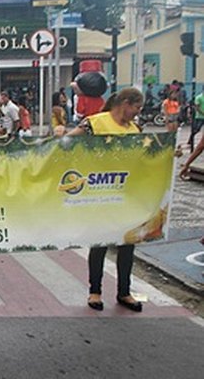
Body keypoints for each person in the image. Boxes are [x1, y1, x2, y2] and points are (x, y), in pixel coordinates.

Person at [66, 88, 145, 313]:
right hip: (99, 194)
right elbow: (67, 143)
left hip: (126, 196)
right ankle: (95, 292)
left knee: (127, 245)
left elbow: (145, 158)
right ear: (126, 103)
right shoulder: (95, 123)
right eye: (136, 108)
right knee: (99, 243)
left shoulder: (135, 130)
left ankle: (124, 292)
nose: (137, 113)